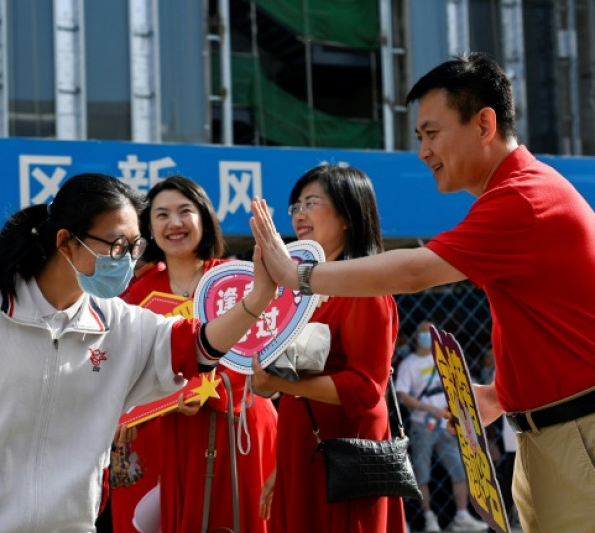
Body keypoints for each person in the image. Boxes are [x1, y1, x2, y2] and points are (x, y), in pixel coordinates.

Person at [250, 52, 595, 533]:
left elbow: (415, 272)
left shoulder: (522, 197)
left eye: (432, 133)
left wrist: (297, 276)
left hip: (575, 434)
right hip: (550, 432)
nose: (423, 151)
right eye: (419, 138)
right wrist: (500, 395)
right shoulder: (518, 195)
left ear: (484, 124)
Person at [0, 173, 277, 532]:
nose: (126, 259)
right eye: (116, 245)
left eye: (134, 246)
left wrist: (259, 297)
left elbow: (196, 346)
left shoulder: (123, 324)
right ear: (65, 242)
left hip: (66, 523)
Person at [116, 176, 277, 533]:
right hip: (173, 434)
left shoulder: (237, 279)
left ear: (203, 218)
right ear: (148, 227)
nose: (174, 223)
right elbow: (124, 367)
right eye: (161, 215)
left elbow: (259, 350)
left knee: (242, 515)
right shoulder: (137, 294)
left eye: (184, 211)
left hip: (241, 425)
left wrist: (204, 386)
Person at [253, 164, 404, 531]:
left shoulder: (366, 289)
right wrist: (282, 466)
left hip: (348, 458)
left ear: (348, 215)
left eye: (311, 203)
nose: (299, 214)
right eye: (295, 206)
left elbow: (366, 389)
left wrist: (282, 385)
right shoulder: (303, 292)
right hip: (304, 449)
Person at [395, 320, 487, 532]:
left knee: (459, 468)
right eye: (424, 331)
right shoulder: (409, 364)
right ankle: (429, 518)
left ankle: (462, 515)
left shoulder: (444, 359)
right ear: (417, 335)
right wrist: (430, 409)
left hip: (446, 424)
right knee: (422, 473)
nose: (428, 335)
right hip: (423, 426)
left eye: (431, 331)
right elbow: (402, 395)